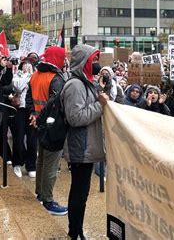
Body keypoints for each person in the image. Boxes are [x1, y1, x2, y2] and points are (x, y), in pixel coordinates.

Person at [61, 45, 109, 240]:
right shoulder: (75, 85)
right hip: (80, 146)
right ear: (84, 62)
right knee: (79, 193)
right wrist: (100, 105)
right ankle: (75, 231)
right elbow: (76, 117)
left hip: (86, 144)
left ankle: (77, 229)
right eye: (93, 60)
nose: (96, 64)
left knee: (82, 192)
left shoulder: (86, 83)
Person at [25, 46, 67, 215]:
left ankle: (40, 194)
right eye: (62, 58)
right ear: (57, 59)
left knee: (41, 159)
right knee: (51, 164)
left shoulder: (35, 75)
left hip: (38, 123)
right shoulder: (56, 78)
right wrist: (39, 117)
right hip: (51, 126)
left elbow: (29, 97)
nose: (64, 61)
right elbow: (53, 104)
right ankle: (48, 201)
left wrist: (33, 114)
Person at [12, 60, 34, 177]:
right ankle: (17, 163)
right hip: (20, 109)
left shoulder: (35, 76)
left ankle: (31, 166)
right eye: (25, 64)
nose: (27, 66)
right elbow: (18, 87)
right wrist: (26, 75)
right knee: (18, 137)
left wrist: (31, 75)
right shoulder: (17, 75)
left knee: (32, 139)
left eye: (29, 65)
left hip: (31, 109)